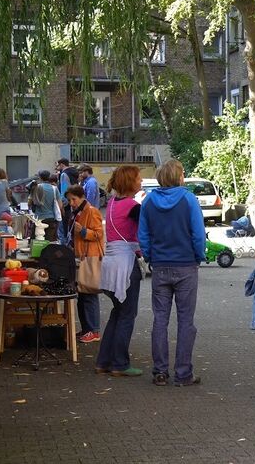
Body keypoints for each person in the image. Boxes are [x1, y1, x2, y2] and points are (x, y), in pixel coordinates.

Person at [138, 159, 206, 387]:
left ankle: (160, 371)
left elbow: (143, 235)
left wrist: (149, 256)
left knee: (160, 320)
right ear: (178, 176)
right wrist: (198, 256)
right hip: (186, 265)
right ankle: (183, 373)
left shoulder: (148, 202)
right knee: (186, 321)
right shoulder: (188, 200)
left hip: (160, 266)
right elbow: (198, 233)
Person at [97, 166, 144, 377]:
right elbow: (144, 232)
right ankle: (120, 364)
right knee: (127, 314)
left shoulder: (112, 204)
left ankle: (103, 361)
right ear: (130, 182)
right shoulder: (133, 206)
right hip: (125, 264)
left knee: (117, 313)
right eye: (139, 178)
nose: (141, 182)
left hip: (109, 263)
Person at [66, 184, 104, 343]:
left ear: (81, 197)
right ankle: (87, 329)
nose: (71, 203)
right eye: (69, 200)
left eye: (73, 199)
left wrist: (82, 231)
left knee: (89, 294)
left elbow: (98, 234)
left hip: (91, 257)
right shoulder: (78, 212)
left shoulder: (92, 211)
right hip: (81, 257)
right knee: (82, 295)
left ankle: (94, 330)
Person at [29, 170, 61, 241]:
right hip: (51, 219)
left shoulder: (36, 188)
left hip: (39, 219)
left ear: (40, 177)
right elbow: (60, 205)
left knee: (36, 242)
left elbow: (29, 202)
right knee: (49, 244)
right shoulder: (54, 189)